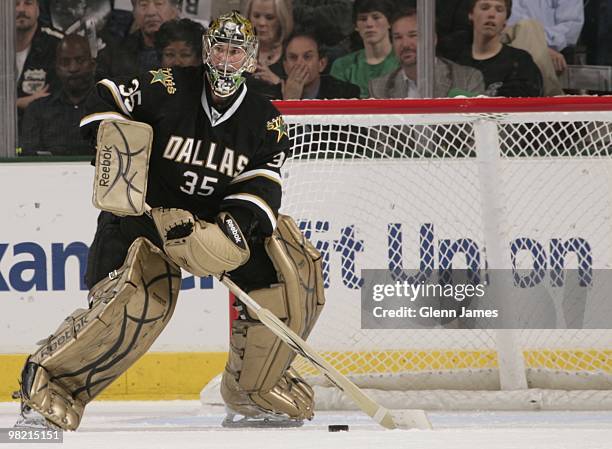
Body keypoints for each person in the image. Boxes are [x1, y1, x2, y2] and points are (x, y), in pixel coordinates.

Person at [14, 11, 324, 431]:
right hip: (141, 223)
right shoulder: (168, 85)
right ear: (206, 51)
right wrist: (120, 155)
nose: (226, 59)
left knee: (291, 265)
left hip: (207, 226)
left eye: (236, 51)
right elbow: (105, 97)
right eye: (219, 48)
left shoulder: (264, 120)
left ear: (251, 60)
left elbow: (262, 188)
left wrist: (228, 231)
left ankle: (253, 388)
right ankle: (51, 383)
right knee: (140, 302)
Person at [369, 8, 485, 98]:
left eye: (413, 35)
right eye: (398, 37)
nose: (405, 44)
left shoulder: (468, 79)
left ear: (433, 39)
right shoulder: (379, 88)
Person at [19, 34, 96, 156]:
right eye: (65, 62)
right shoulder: (38, 110)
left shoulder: (110, 107)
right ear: (56, 67)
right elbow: (30, 162)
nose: (73, 68)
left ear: (92, 65)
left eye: (80, 60)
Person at [454, 0, 543, 97]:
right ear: (471, 14)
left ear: (505, 21)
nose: (491, 14)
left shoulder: (521, 62)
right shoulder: (454, 59)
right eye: (485, 8)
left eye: (499, 10)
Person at [330, 0, 400, 98]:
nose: (369, 24)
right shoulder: (342, 66)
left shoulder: (403, 62)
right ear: (356, 27)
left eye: (376, 17)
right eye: (363, 19)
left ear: (390, 22)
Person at [96, 0, 180, 78]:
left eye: (159, 3)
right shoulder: (116, 53)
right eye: (143, 4)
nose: (150, 12)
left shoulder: (190, 49)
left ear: (175, 10)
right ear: (134, 12)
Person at [265, 31, 360, 99]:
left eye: (307, 57)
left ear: (321, 64)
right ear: (285, 66)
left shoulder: (345, 95)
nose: (300, 63)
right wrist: (289, 102)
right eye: (293, 57)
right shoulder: (270, 97)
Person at [16, 0, 63, 115]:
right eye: (15, 4)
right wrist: (20, 102)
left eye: (28, 3)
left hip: (42, 126)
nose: (21, 9)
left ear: (38, 9)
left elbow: (55, 100)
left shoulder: (57, 44)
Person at [242, 0, 293, 87]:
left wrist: (277, 82)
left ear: (281, 20)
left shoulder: (293, 51)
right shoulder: (237, 50)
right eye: (256, 16)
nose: (262, 23)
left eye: (269, 17)